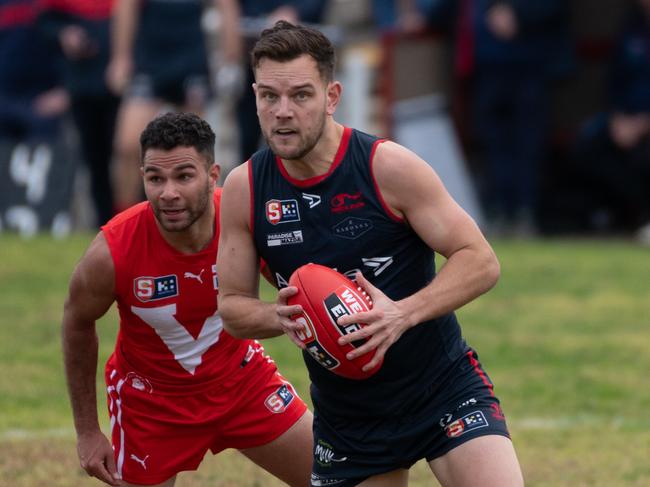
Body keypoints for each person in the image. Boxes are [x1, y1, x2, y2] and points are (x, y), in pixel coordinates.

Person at [217, 21, 524, 487]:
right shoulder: (246, 188)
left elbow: (480, 259)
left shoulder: (386, 167)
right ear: (254, 95)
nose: (282, 112)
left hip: (442, 389)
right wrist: (281, 317)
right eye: (269, 97)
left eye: (300, 95)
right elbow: (232, 307)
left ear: (332, 95)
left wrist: (401, 314)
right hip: (349, 419)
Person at [62, 112, 312, 487]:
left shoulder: (245, 220)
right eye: (154, 178)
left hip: (242, 383)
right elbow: (77, 322)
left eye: (183, 176)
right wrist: (87, 431)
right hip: (151, 405)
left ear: (213, 175)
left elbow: (304, 290)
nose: (169, 193)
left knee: (335, 478)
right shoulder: (112, 251)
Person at [106, 0, 241, 211]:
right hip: (150, 59)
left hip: (191, 59)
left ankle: (203, 218)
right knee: (127, 146)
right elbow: (126, 6)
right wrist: (120, 58)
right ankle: (126, 221)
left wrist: (231, 60)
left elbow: (226, 6)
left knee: (197, 149)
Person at [573, 0, 650, 241]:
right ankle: (612, 215)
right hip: (624, 118)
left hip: (643, 123)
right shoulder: (631, 26)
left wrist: (642, 123)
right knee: (588, 142)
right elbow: (614, 82)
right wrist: (618, 118)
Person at [38, 0, 121, 226]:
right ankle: (106, 224)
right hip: (82, 84)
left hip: (123, 84)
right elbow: (45, 22)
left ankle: (135, 219)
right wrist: (64, 34)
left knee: (128, 153)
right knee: (95, 160)